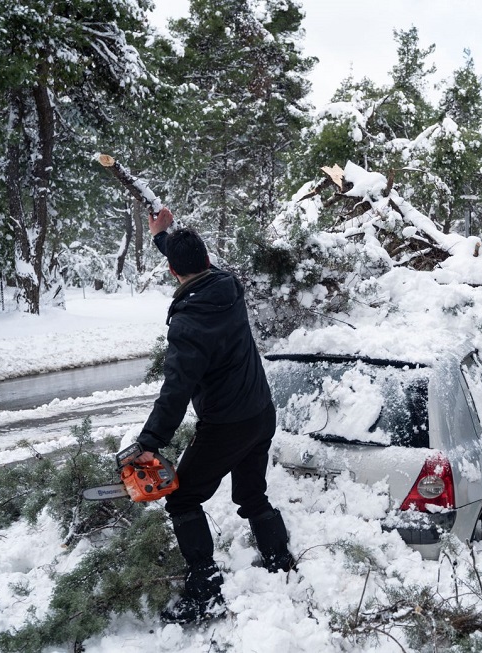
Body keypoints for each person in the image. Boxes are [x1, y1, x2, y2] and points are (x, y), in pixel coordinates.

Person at [132, 207, 295, 625]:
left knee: (183, 497)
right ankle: (280, 560)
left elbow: (176, 391)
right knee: (251, 494)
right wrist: (163, 235)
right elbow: (193, 260)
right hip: (261, 412)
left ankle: (205, 592)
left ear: (172, 272)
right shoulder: (228, 285)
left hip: (226, 426)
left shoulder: (189, 323)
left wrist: (148, 443)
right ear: (206, 260)